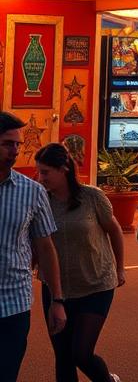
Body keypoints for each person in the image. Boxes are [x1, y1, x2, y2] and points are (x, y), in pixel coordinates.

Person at [35, 144, 124, 382]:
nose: (40, 178)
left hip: (96, 284)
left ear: (64, 169)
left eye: (45, 172)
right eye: (39, 172)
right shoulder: (40, 201)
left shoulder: (92, 197)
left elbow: (114, 230)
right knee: (63, 356)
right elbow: (37, 241)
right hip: (56, 288)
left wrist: (120, 268)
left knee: (81, 354)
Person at [0, 112, 65, 382]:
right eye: (7, 143)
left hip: (14, 303)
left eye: (17, 144)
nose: (15, 150)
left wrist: (57, 301)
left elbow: (46, 246)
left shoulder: (32, 191)